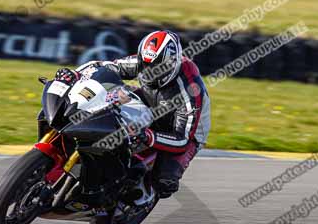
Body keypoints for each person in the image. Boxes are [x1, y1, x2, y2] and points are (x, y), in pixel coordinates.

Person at [46, 30, 210, 198]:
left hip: (186, 131)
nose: (148, 71)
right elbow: (104, 68)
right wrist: (75, 74)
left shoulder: (189, 91)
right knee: (109, 105)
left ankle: (131, 196)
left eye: (155, 68)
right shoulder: (141, 62)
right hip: (148, 101)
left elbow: (182, 139)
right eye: (146, 65)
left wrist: (149, 136)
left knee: (164, 182)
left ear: (171, 65)